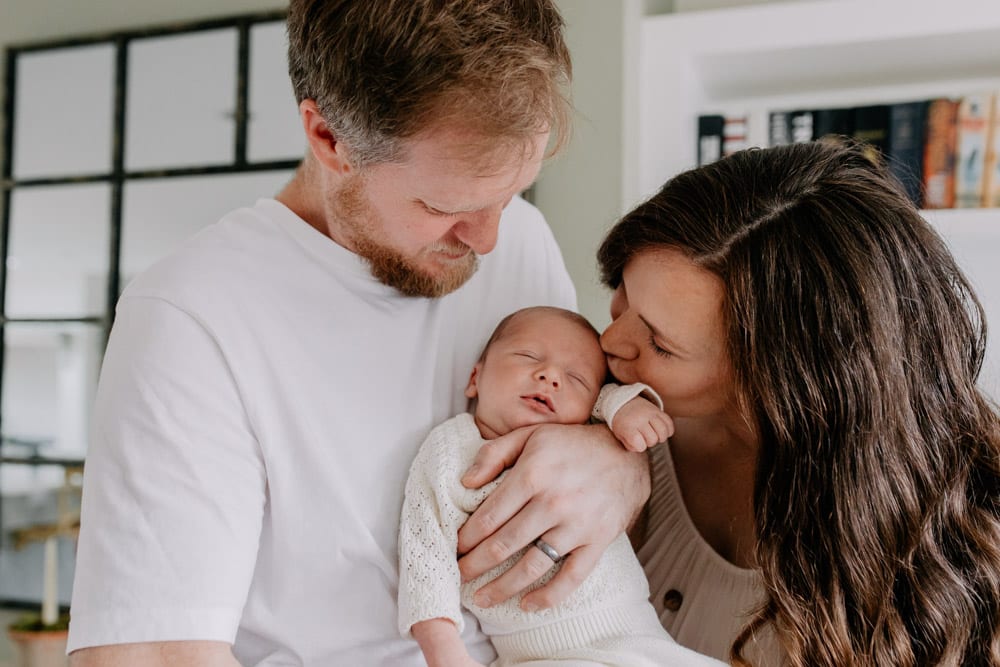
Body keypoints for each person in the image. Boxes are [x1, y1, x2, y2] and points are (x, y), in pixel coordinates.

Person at [67, 2, 650, 665]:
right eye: (443, 207)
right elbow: (147, 656)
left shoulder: (520, 240)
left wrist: (622, 467)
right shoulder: (190, 316)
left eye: (510, 193)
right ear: (328, 138)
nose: (488, 238)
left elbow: (586, 440)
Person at [463, 139, 999, 665]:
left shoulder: (953, 549)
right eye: (623, 293)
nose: (609, 343)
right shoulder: (583, 415)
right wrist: (602, 443)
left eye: (659, 344)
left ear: (775, 384)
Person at [398, 305, 718, 667]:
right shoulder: (449, 451)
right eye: (527, 356)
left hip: (636, 636)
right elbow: (424, 555)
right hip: (538, 653)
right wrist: (444, 650)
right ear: (476, 376)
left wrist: (627, 409)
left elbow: (613, 399)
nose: (550, 376)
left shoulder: (585, 436)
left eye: (576, 378)